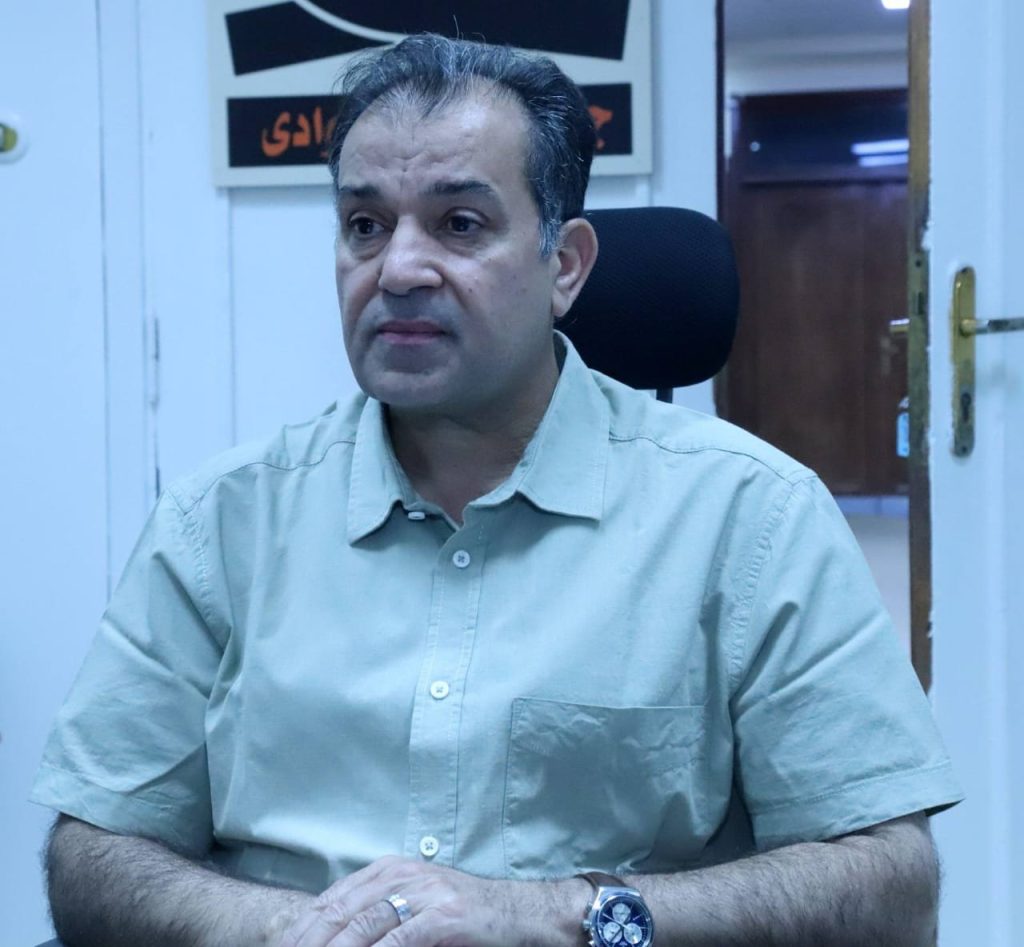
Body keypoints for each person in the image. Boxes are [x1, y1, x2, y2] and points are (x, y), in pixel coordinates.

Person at [33, 34, 962, 947]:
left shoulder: (751, 517)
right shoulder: (220, 522)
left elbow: (891, 885)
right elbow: (93, 853)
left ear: (566, 265)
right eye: (365, 226)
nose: (398, 269)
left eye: (460, 224)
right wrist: (299, 928)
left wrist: (547, 913)